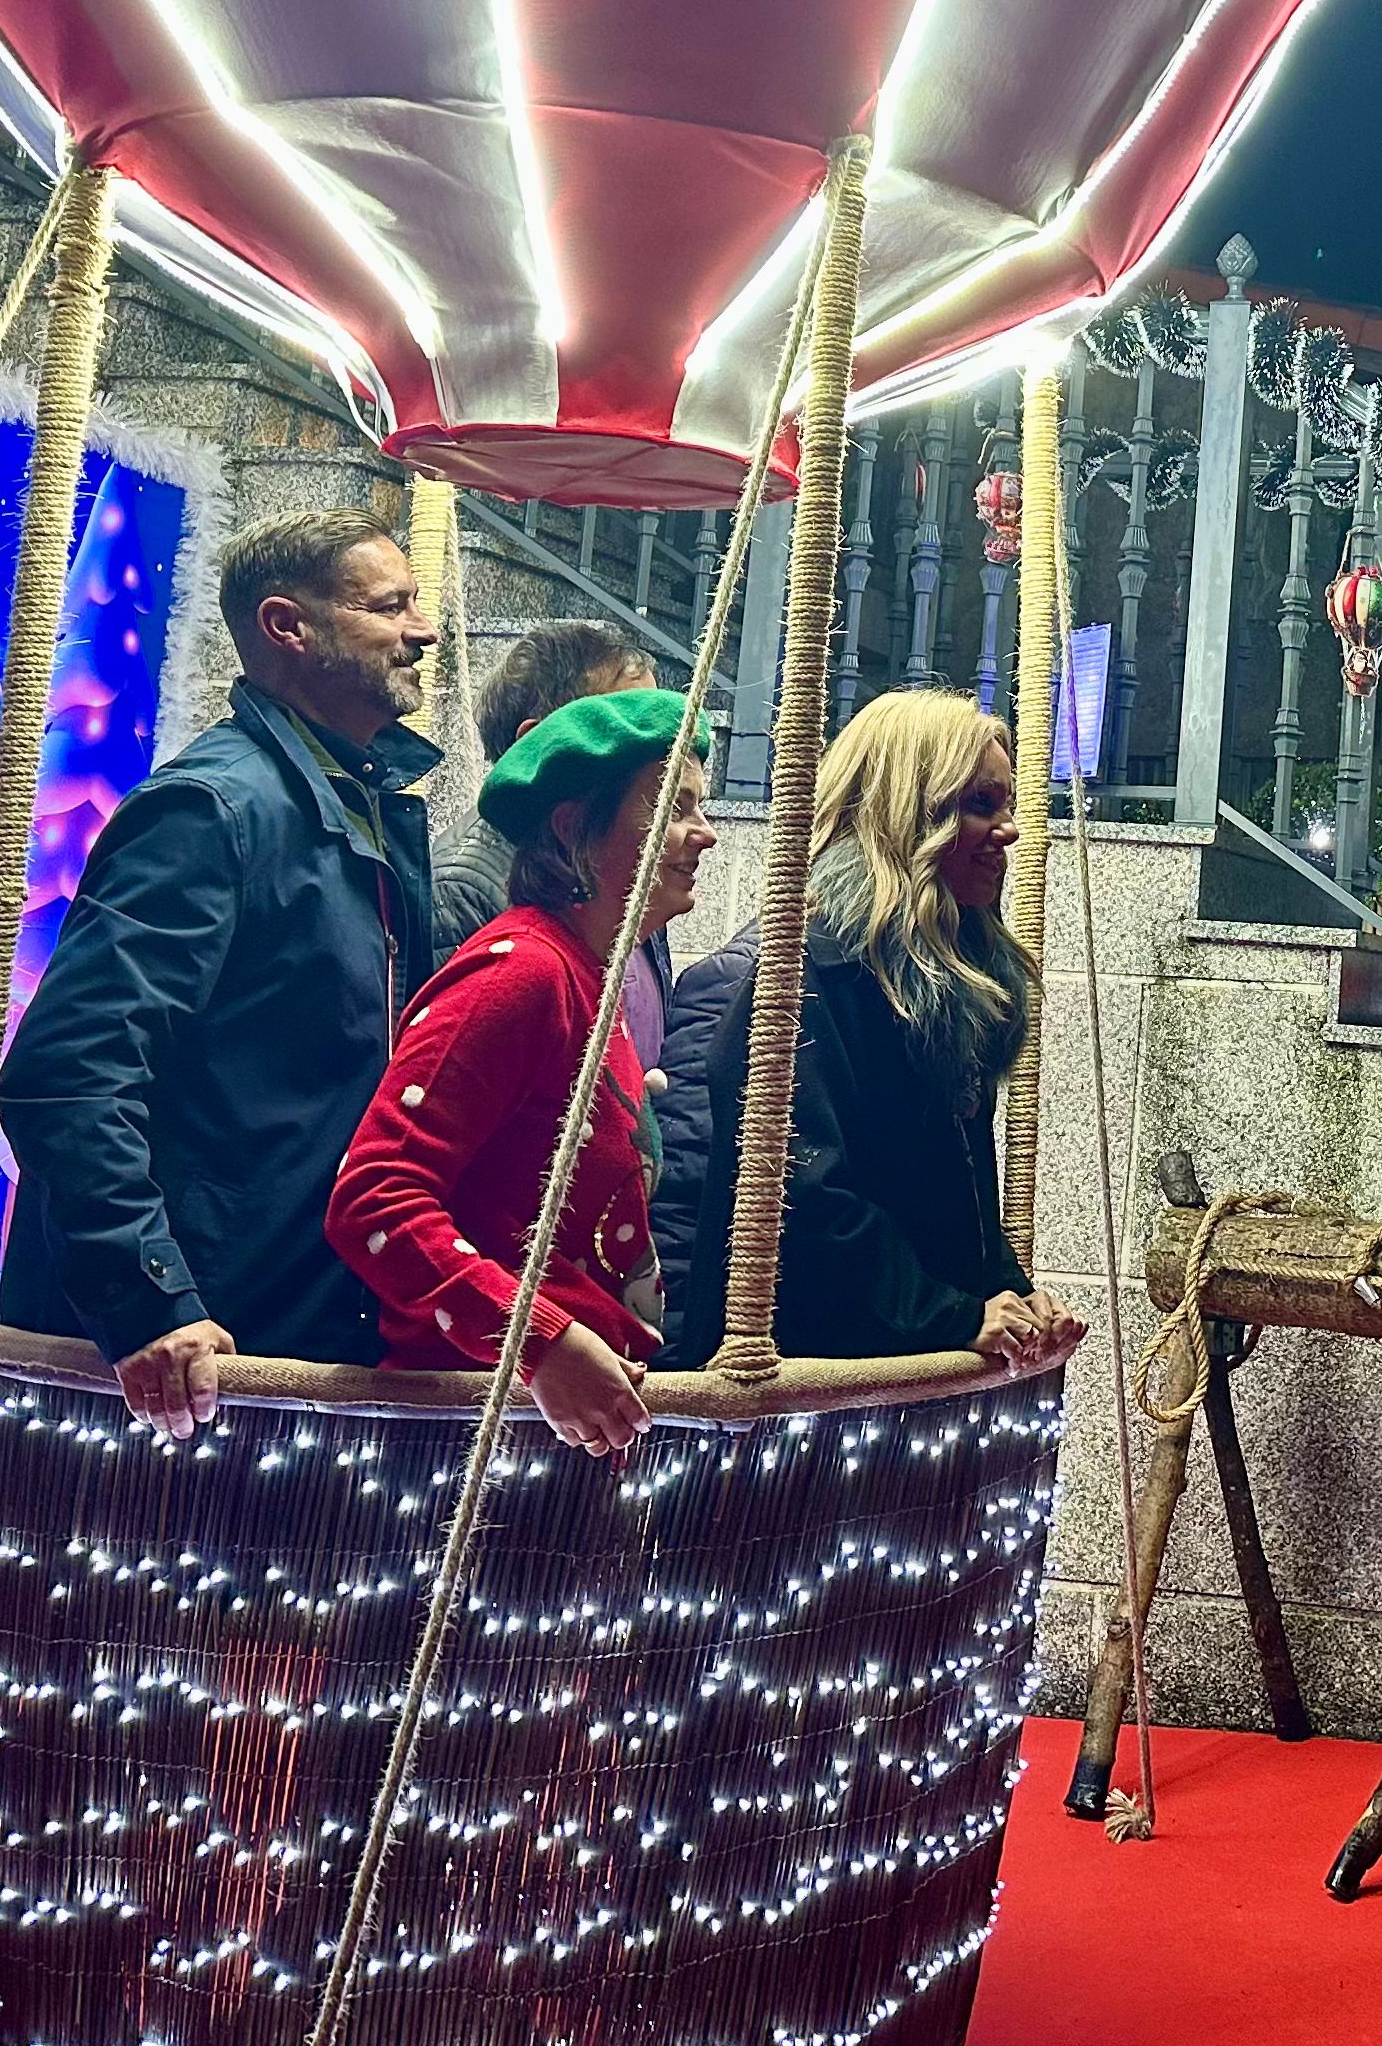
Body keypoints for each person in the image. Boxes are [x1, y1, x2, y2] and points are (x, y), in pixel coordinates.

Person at [0, 507, 439, 1436]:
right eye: (391, 607)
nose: (423, 630)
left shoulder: (352, 801)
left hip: (285, 1316)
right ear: (289, 626)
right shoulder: (212, 810)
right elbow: (67, 1071)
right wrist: (150, 1297)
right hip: (195, 1350)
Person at [331, 687, 714, 1460]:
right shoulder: (522, 974)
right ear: (576, 827)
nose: (703, 835)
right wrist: (536, 1341)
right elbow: (374, 1200)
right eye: (672, 806)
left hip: (550, 1434)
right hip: (474, 1438)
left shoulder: (587, 977)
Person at [653, 690, 1081, 1366]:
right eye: (980, 804)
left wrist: (1008, 1297)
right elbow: (803, 1199)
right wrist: (954, 1314)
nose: (1010, 829)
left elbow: (957, 1183)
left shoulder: (949, 981)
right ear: (906, 814)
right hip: (811, 1388)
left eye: (1006, 804)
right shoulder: (805, 972)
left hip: (900, 1381)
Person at [434, 619, 650, 949]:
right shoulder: (461, 888)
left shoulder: (626, 853)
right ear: (537, 742)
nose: (656, 747)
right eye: (625, 727)